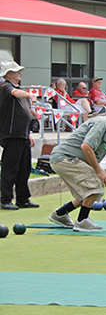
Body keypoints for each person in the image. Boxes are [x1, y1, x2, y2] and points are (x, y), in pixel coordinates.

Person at [0, 60, 39, 210]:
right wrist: (29, 95)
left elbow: (25, 112)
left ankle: (23, 199)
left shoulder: (19, 89)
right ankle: (5, 199)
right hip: (11, 134)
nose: (19, 73)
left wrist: (28, 132)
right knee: (10, 168)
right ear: (8, 74)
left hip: (22, 134)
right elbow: (15, 93)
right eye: (16, 71)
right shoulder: (6, 87)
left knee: (24, 168)